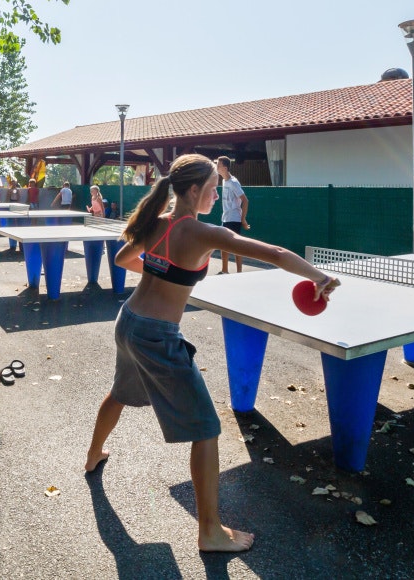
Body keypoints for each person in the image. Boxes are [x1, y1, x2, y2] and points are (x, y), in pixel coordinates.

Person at [84, 154, 340, 553]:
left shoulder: (157, 223)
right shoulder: (202, 232)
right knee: (205, 428)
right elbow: (272, 253)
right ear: (192, 191)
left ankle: (93, 455)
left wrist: (164, 274)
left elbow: (122, 259)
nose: (217, 193)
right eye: (211, 188)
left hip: (129, 321)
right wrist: (319, 276)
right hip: (157, 337)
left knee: (120, 392)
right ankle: (210, 532)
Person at [216, 156, 250, 274]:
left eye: (218, 165)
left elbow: (245, 200)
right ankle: (224, 270)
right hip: (225, 218)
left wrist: (243, 219)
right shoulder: (224, 181)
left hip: (234, 219)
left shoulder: (234, 183)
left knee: (236, 246)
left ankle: (239, 273)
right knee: (222, 243)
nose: (216, 167)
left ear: (225, 168)